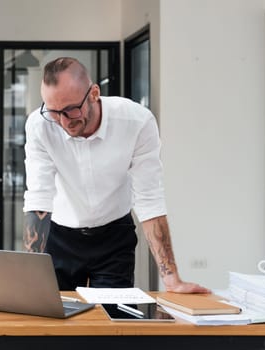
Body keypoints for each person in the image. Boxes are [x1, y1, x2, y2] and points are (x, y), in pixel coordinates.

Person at [23, 57, 209, 294]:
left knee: (116, 321)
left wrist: (171, 278)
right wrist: (28, 276)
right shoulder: (40, 125)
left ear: (94, 93)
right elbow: (39, 196)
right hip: (59, 236)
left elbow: (149, 198)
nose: (62, 121)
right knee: (53, 322)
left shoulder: (136, 121)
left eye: (70, 109)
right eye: (54, 111)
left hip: (114, 237)